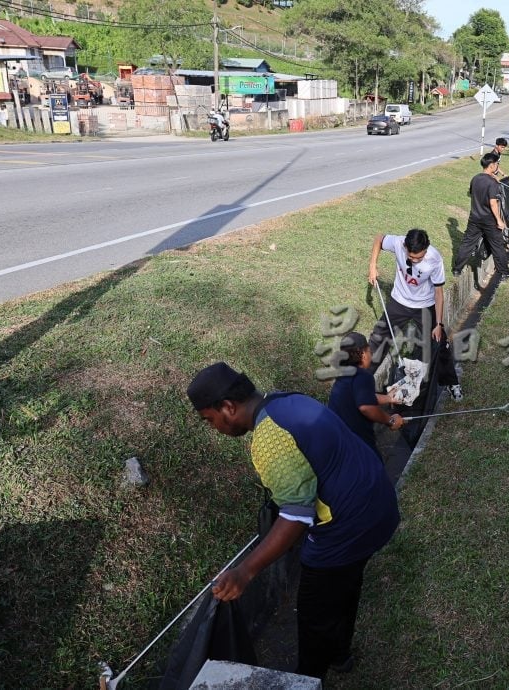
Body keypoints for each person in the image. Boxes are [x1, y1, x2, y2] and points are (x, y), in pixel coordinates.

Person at [187, 362, 400, 679]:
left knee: (314, 612)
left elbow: (295, 516)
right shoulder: (288, 399)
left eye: (209, 420)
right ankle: (340, 655)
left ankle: (308, 679)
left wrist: (246, 571)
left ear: (227, 407)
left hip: (348, 525)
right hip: (379, 503)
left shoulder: (269, 440)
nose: (213, 427)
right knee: (346, 584)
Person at [368, 229, 463, 399]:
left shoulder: (434, 258)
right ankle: (363, 380)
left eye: (418, 258)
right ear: (405, 246)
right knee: (379, 338)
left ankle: (451, 382)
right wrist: (372, 266)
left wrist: (438, 324)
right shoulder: (398, 242)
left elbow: (438, 293)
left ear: (426, 250)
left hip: (425, 305)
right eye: (411, 257)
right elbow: (379, 239)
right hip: (399, 301)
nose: (414, 261)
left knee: (439, 342)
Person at [328, 331, 405, 460]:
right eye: (370, 350)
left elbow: (363, 397)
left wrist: (389, 398)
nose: (371, 354)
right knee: (374, 467)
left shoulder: (345, 374)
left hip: (337, 436)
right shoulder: (363, 377)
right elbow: (365, 407)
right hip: (355, 440)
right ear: (363, 354)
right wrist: (390, 420)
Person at [453, 154, 509, 281]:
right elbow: (493, 203)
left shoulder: (475, 179)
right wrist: (499, 221)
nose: (497, 166)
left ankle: (457, 269)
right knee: (497, 245)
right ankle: (504, 272)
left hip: (474, 218)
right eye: (497, 164)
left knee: (467, 243)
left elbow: (472, 194)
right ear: (491, 165)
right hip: (489, 220)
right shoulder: (492, 183)